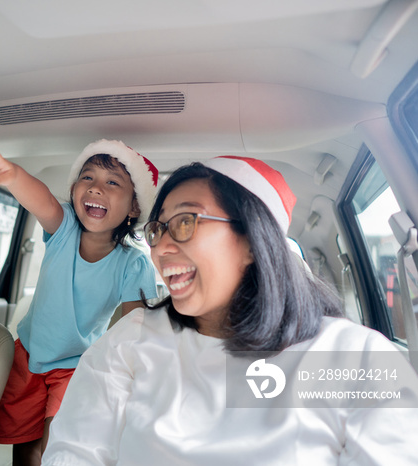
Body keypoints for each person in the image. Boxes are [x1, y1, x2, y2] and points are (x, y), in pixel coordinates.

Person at [42, 156, 418, 465]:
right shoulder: (132, 338)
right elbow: (76, 450)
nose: (162, 246)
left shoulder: (354, 356)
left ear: (254, 241)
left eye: (187, 221)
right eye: (158, 229)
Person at [0, 139, 160, 465]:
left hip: (76, 367)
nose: (96, 188)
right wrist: (13, 175)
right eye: (87, 178)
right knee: (25, 450)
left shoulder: (134, 265)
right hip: (27, 357)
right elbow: (42, 200)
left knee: (56, 448)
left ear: (133, 207)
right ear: (74, 190)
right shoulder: (64, 231)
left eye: (112, 182)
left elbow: (136, 328)